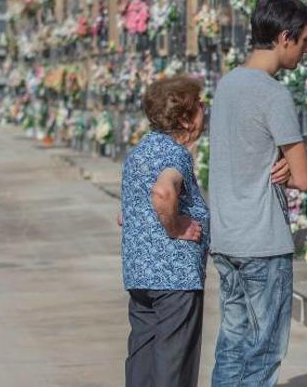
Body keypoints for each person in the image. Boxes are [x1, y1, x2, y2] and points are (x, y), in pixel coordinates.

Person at [208, 0, 307, 385]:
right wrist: (288, 166)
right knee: (264, 350)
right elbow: (303, 177)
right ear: (285, 38)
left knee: (232, 344)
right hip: (263, 243)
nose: (305, 50)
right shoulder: (273, 93)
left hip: (227, 238)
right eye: (304, 40)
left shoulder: (227, 85)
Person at [120, 75, 209, 387]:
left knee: (143, 358)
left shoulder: (139, 151)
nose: (204, 112)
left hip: (140, 275)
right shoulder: (175, 154)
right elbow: (163, 193)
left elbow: (128, 210)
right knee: (174, 365)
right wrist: (177, 227)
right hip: (174, 278)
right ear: (185, 120)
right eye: (200, 107)